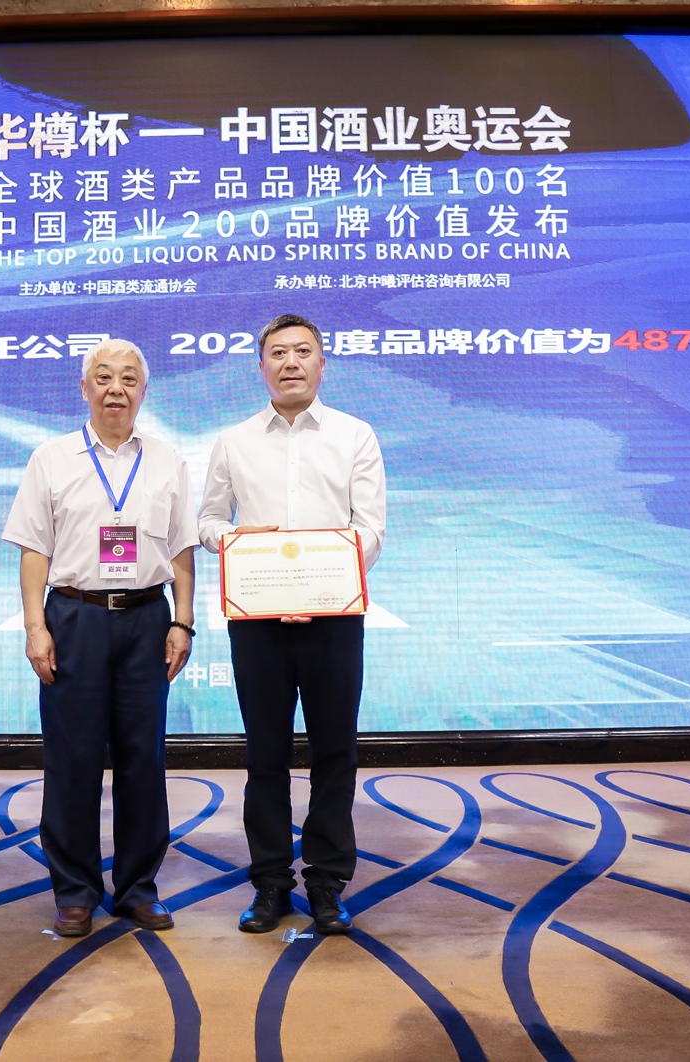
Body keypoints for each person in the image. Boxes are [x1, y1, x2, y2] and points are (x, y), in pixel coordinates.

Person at [3, 338, 198, 938]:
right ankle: (75, 891)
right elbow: (34, 549)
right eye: (105, 377)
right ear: (84, 388)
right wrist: (35, 627)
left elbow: (182, 549)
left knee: (144, 759)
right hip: (75, 617)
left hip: (146, 619)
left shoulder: (167, 460)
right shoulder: (51, 458)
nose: (117, 388)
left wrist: (183, 621)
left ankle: (138, 888)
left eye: (130, 378)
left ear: (144, 390)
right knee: (73, 760)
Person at [198, 313, 386, 935]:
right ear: (261, 367)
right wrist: (238, 540)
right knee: (265, 753)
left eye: (303, 351)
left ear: (322, 363)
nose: (291, 363)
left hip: (333, 617)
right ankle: (270, 883)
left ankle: (327, 882)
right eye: (278, 353)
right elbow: (208, 523)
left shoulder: (355, 435)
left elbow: (370, 530)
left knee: (335, 750)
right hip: (259, 619)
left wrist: (320, 579)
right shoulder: (234, 441)